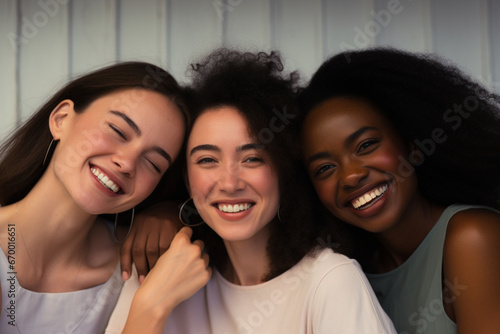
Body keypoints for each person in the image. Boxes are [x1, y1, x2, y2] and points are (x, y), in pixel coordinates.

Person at [106, 49, 396, 334]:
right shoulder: (158, 273)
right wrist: (153, 305)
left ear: (284, 170)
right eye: (207, 160)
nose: (230, 184)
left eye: (252, 159)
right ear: (186, 175)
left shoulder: (330, 281)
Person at [298, 47, 500, 334]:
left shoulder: (472, 238)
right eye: (324, 169)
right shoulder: (351, 270)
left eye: (366, 145)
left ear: (412, 145)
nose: (351, 176)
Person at [0, 61, 202, 333]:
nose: (128, 163)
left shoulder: (142, 271)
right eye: (118, 131)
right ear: (61, 119)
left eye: (153, 164)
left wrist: (170, 213)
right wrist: (150, 311)